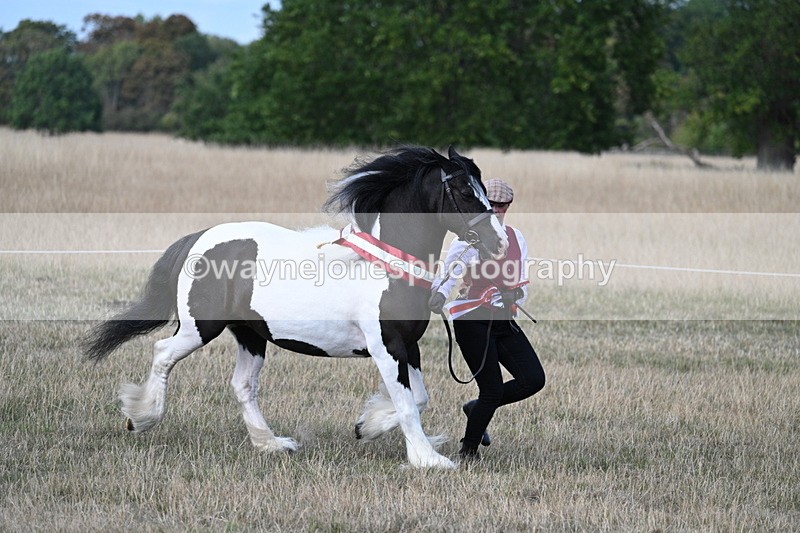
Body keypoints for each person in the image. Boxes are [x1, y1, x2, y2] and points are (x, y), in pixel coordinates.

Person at [429, 179, 546, 460]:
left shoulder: (517, 238)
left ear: (508, 206)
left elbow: (522, 286)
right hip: (471, 319)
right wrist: (439, 297)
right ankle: (468, 451)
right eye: (489, 205)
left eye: (500, 205)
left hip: (504, 320)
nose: (495, 210)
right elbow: (448, 276)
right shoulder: (467, 240)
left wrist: (513, 296)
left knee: (533, 379)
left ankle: (475, 408)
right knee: (491, 390)